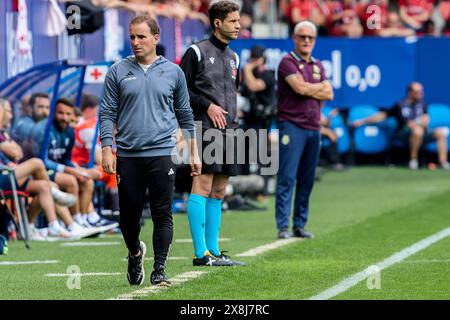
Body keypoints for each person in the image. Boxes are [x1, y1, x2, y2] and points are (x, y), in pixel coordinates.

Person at [100, 15, 200, 286]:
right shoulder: (117, 71)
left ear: (156, 38)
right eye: (132, 36)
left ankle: (159, 270)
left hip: (162, 152)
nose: (135, 42)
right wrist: (107, 148)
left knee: (162, 213)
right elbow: (107, 113)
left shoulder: (174, 72)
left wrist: (194, 151)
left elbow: (185, 114)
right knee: (128, 218)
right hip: (129, 155)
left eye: (141, 36)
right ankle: (135, 252)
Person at [180, 0, 246, 267]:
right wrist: (207, 106)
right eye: (233, 21)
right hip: (204, 128)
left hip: (229, 130)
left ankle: (214, 251)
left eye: (239, 21)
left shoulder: (234, 57)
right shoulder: (195, 52)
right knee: (203, 186)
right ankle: (200, 254)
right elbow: (181, 92)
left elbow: (234, 93)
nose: (239, 25)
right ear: (218, 23)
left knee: (219, 191)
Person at [275, 21, 334, 239]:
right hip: (292, 125)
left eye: (310, 37)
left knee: (307, 179)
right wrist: (318, 88)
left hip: (313, 126)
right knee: (287, 177)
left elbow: (330, 94)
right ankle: (282, 226)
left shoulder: (318, 65)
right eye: (302, 37)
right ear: (294, 38)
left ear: (315, 40)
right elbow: (299, 88)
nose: (306, 41)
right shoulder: (286, 62)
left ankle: (299, 224)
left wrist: (313, 89)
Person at [352, 82, 449, 170]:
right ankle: (413, 161)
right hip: (404, 133)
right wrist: (362, 121)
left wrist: (415, 123)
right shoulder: (400, 105)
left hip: (423, 132)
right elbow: (382, 115)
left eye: (421, 92)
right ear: (410, 93)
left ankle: (442, 162)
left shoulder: (423, 104)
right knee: (417, 131)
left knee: (440, 133)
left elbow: (425, 121)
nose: (420, 94)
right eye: (417, 92)